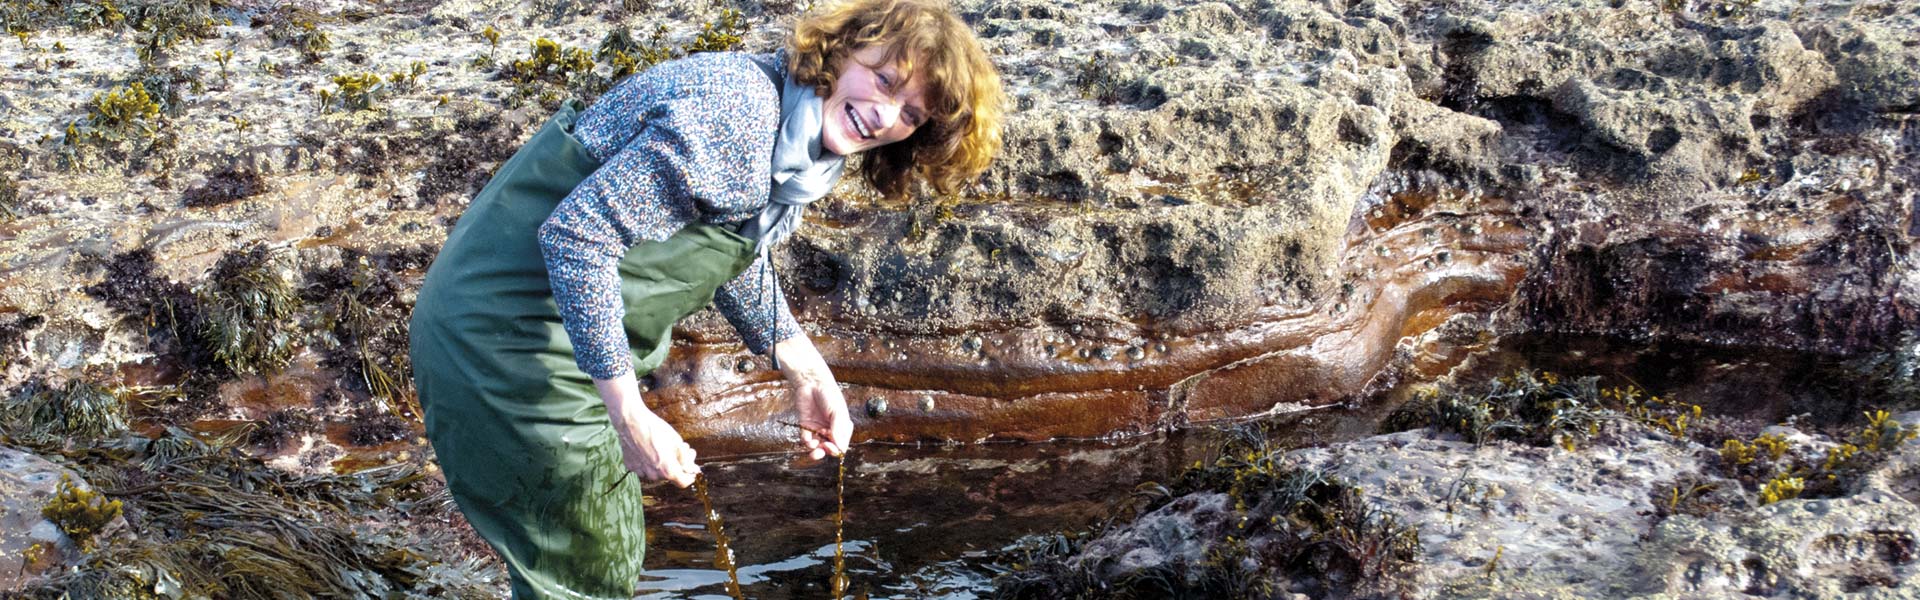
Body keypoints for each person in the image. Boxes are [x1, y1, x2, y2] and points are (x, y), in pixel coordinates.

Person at [406, 0, 1005, 597]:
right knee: (589, 568)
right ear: (841, 50)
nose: (883, 115)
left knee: (586, 562)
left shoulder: (794, 142)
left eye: (910, 112)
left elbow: (724, 250)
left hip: (546, 340)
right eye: (883, 80)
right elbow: (577, 234)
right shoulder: (738, 116)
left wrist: (805, 370)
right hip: (503, 341)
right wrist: (630, 415)